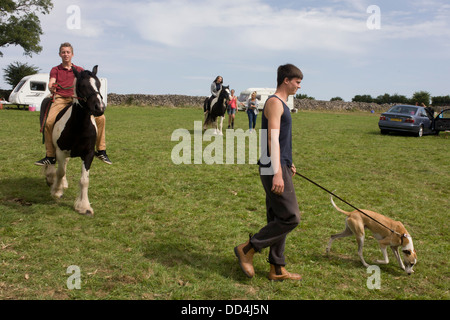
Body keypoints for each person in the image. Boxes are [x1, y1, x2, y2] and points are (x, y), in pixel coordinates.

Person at [234, 64, 303, 281]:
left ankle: (277, 268)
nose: (299, 86)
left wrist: (287, 162)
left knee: (278, 216)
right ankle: (247, 249)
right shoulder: (274, 103)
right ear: (286, 80)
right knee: (291, 217)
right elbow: (272, 138)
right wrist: (277, 172)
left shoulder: (281, 103)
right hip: (271, 166)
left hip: (277, 163)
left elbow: (281, 139)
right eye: (297, 82)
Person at [35, 42, 112, 166]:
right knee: (49, 123)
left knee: (101, 118)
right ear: (60, 54)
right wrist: (51, 87)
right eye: (63, 52)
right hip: (60, 99)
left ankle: (101, 150)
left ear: (72, 54)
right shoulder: (55, 70)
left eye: (68, 52)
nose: (66, 54)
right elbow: (51, 82)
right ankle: (50, 156)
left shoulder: (79, 70)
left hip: (76, 100)